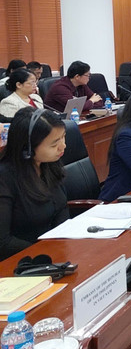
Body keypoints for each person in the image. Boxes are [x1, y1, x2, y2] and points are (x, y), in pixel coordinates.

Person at [0, 108, 68, 261]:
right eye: (54, 144)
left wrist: (63, 242)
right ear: (28, 148)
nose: (63, 146)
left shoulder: (48, 165)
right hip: (22, 262)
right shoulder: (4, 178)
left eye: (64, 137)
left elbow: (61, 207)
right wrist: (45, 252)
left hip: (54, 254)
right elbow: (3, 242)